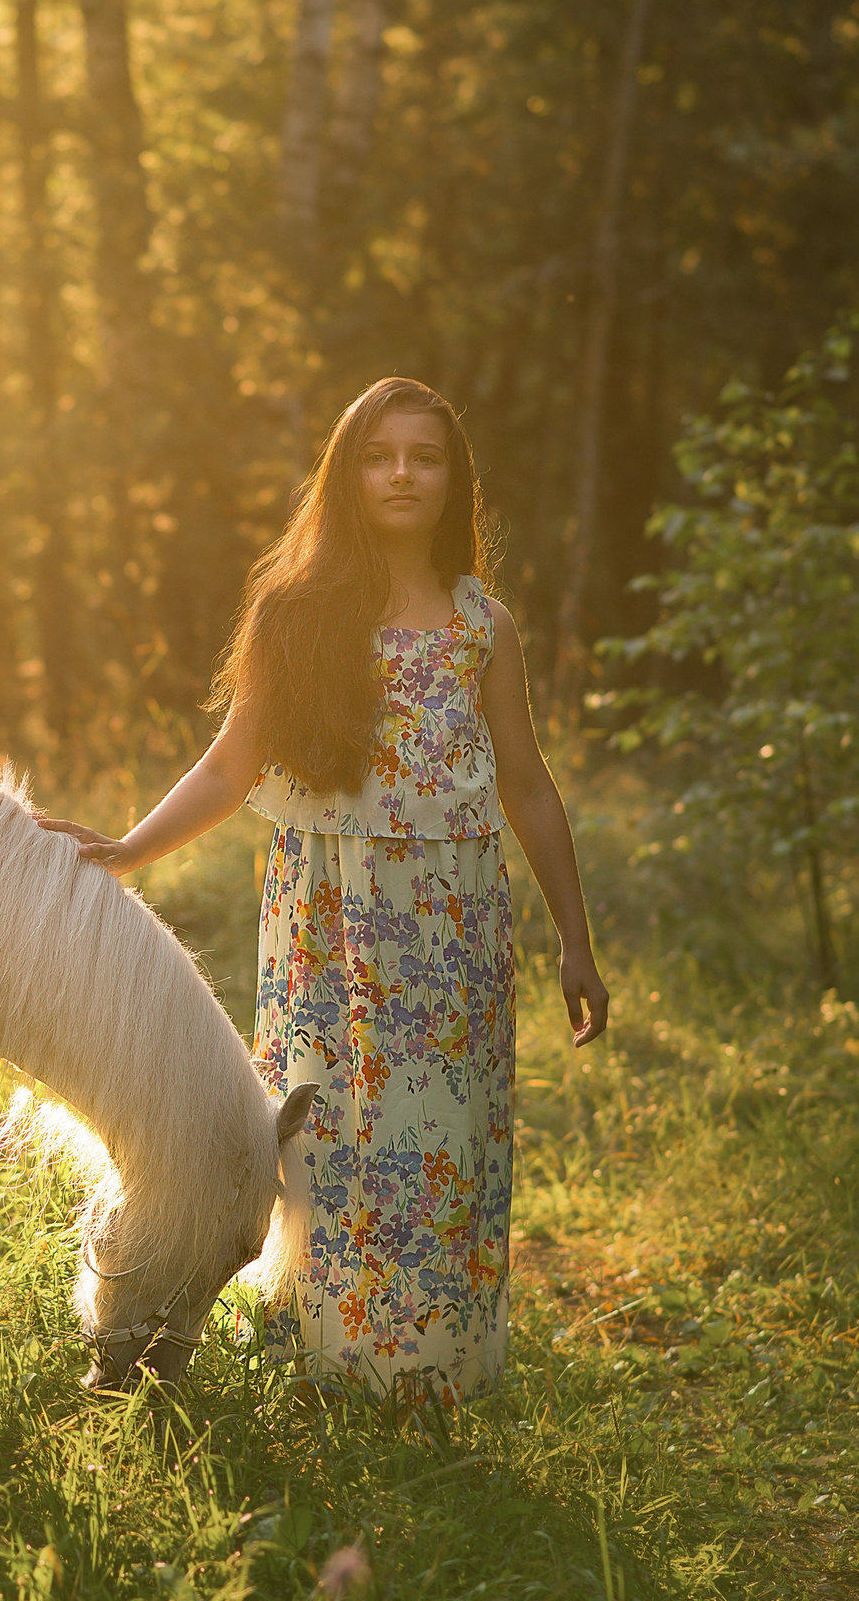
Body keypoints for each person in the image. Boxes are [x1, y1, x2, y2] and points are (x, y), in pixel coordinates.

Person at [39, 375, 608, 1405]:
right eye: (378, 456)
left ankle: (431, 1372)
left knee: (441, 1132)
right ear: (347, 476)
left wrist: (576, 939)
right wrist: (126, 849)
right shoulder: (297, 611)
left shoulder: (484, 627)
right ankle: (331, 1360)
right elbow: (229, 764)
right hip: (329, 921)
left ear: (452, 480)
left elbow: (525, 781)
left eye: (423, 457)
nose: (401, 473)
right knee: (329, 1130)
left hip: (450, 923)